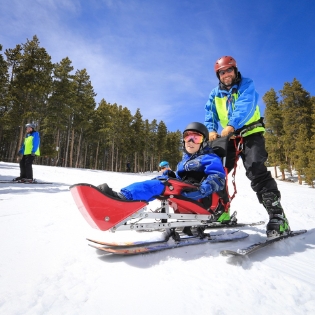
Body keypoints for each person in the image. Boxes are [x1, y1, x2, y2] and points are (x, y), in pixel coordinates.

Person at [204, 55, 290, 237]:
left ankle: (278, 217)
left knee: (255, 168)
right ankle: (222, 211)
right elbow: (210, 112)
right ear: (218, 75)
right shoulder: (215, 94)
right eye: (222, 72)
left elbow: (245, 106)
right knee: (216, 170)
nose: (226, 74)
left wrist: (231, 125)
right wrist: (211, 129)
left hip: (250, 132)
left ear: (235, 70)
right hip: (229, 137)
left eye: (229, 70)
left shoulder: (246, 85)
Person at [98, 122, 226, 219]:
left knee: (159, 185)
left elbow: (218, 177)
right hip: (185, 189)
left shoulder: (210, 157)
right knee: (158, 182)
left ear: (203, 142)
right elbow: (184, 178)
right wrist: (173, 175)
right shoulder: (184, 161)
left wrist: (202, 190)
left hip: (198, 196)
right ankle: (130, 203)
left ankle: (123, 198)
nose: (191, 141)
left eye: (196, 138)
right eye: (188, 137)